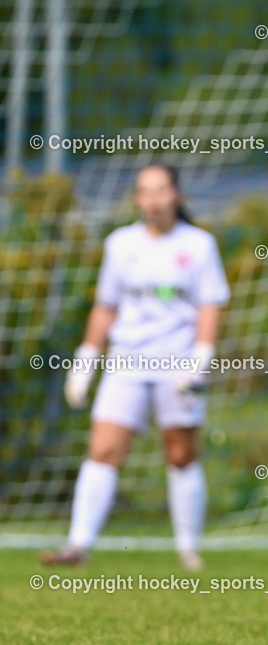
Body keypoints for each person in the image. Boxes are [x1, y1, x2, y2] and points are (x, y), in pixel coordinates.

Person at [42, 165, 230, 571]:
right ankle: (77, 546)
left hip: (178, 363)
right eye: (146, 191)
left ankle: (187, 548)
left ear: (176, 194)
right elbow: (106, 306)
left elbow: (209, 304)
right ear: (137, 198)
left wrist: (201, 357)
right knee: (103, 450)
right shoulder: (120, 244)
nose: (154, 199)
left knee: (181, 454)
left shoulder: (199, 245)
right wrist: (87, 357)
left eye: (161, 190)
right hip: (126, 362)